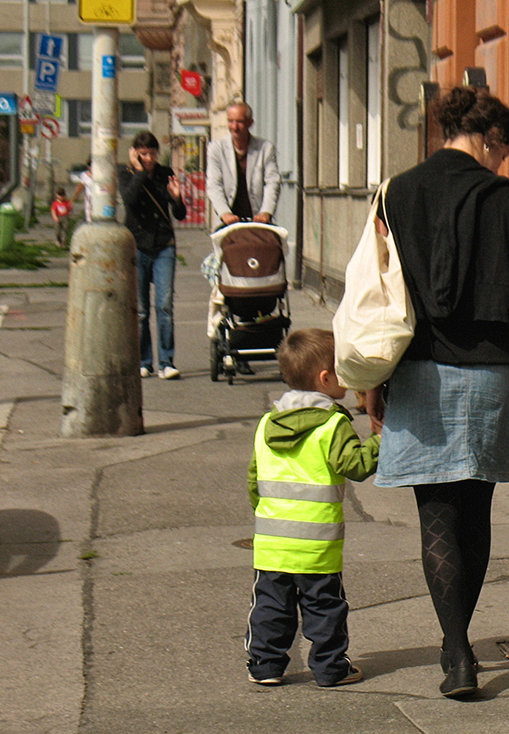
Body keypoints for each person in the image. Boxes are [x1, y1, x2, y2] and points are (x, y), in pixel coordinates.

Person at [364, 86, 509, 699]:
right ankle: (459, 642)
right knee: (476, 511)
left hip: (416, 366)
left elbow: (381, 288)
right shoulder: (506, 198)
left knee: (436, 513)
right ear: (488, 139)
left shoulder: (396, 191)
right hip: (487, 373)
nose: (506, 162)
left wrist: (372, 378)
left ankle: (456, 651)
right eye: (506, 149)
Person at [245, 328, 381, 687]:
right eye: (342, 370)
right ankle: (330, 667)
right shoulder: (333, 424)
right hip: (318, 542)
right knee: (324, 606)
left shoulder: (265, 424)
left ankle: (265, 664)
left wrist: (267, 516)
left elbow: (254, 483)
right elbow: (356, 466)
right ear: (325, 379)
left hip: (272, 541)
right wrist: (382, 440)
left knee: (271, 606)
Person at [206, 102, 282, 371]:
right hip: (230, 226)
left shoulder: (265, 149)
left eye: (239, 122)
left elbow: (272, 181)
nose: (234, 127)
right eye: (231, 122)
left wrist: (266, 211)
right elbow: (214, 184)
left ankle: (254, 339)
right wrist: (225, 213)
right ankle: (228, 336)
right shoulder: (217, 149)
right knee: (232, 281)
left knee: (259, 280)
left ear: (250, 123)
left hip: (257, 225)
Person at [119, 131, 187, 380]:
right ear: (135, 153)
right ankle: (144, 361)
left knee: (164, 305)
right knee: (140, 310)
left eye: (152, 153)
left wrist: (178, 199)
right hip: (137, 245)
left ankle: (166, 362)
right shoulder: (125, 173)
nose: (149, 158)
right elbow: (129, 200)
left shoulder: (164, 173)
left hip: (163, 245)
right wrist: (138, 171)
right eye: (143, 154)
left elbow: (179, 214)